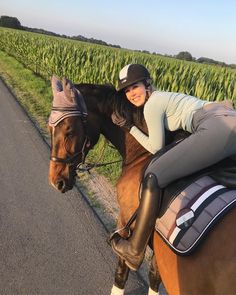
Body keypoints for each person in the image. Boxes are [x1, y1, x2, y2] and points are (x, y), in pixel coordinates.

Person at [111, 63, 236, 271]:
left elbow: (155, 147)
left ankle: (134, 250)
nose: (131, 93)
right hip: (227, 116)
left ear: (147, 84)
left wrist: (130, 127)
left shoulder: (152, 104)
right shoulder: (165, 97)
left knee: (154, 174)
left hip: (216, 125)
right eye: (127, 90)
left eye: (135, 86)